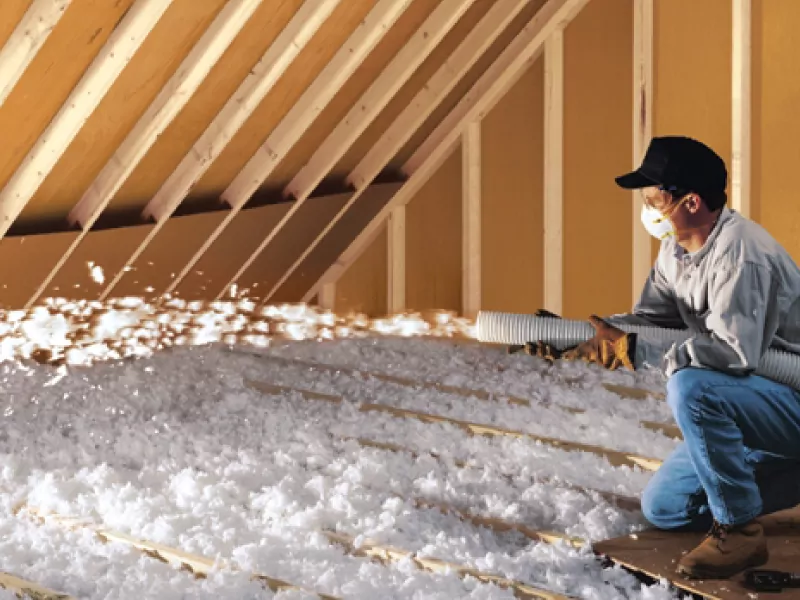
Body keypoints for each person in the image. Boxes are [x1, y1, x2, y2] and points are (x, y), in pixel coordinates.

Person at [516, 136, 800, 580]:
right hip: (755, 406)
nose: (647, 206)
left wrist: (632, 349)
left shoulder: (743, 255)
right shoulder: (677, 250)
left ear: (690, 201)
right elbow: (650, 321)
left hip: (787, 397)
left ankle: (739, 531)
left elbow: (733, 354)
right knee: (667, 508)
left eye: (654, 197)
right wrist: (576, 336)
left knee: (692, 387)